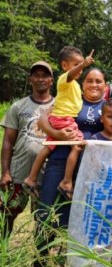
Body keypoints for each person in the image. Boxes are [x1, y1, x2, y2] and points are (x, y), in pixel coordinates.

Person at [32, 65, 112, 267]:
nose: (94, 85)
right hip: (60, 160)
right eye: (89, 81)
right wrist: (58, 134)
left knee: (76, 214)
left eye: (98, 81)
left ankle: (72, 262)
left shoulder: (108, 106)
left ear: (105, 86)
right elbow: (43, 120)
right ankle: (39, 261)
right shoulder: (73, 100)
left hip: (91, 170)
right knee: (46, 207)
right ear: (83, 84)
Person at [23, 46, 95, 200]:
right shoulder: (65, 79)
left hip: (58, 118)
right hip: (64, 119)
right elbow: (71, 74)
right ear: (64, 66)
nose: (80, 69)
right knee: (76, 146)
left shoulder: (75, 85)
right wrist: (84, 64)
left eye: (80, 65)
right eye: (76, 65)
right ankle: (67, 182)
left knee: (48, 147)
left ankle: (31, 178)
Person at [1, 61, 55, 238]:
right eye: (36, 75)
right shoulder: (18, 107)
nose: (40, 79)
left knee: (44, 220)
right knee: (6, 215)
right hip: (18, 173)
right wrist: (5, 172)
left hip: (46, 175)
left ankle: (39, 263)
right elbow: (8, 141)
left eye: (45, 75)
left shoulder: (59, 107)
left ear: (51, 80)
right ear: (30, 79)